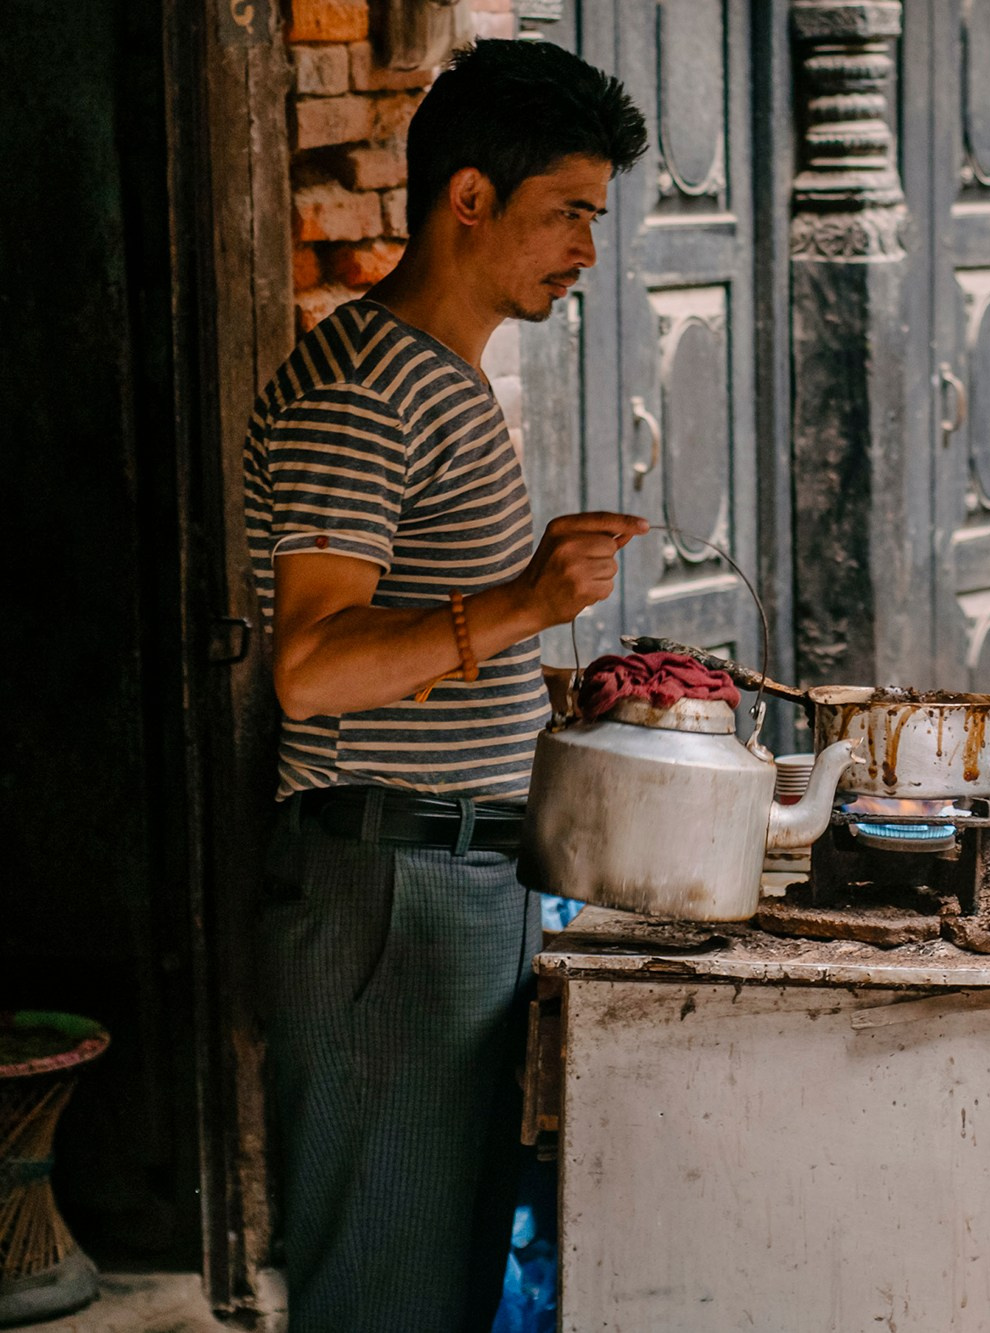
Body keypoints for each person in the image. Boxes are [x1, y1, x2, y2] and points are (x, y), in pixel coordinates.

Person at [244, 40, 649, 1332]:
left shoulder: (443, 377)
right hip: (391, 900)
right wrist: (521, 604)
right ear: (468, 198)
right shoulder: (366, 385)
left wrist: (538, 682)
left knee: (449, 1280)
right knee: (387, 1293)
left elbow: (416, 640)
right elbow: (312, 668)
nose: (588, 248)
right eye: (568, 212)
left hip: (457, 887)